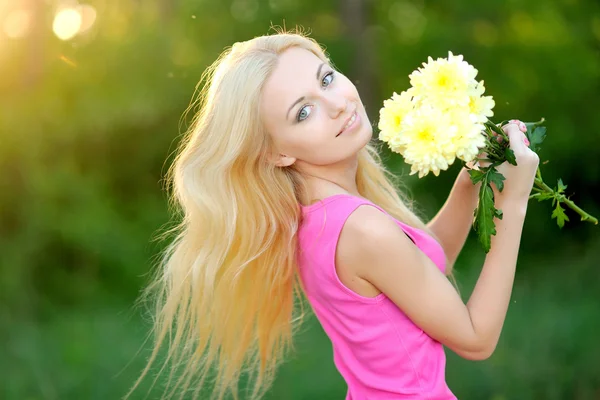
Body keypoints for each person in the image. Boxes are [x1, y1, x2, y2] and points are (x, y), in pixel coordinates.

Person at [129, 30, 540, 400]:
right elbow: (475, 339)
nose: (336, 104)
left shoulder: (317, 220)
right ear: (276, 152)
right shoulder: (360, 228)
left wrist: (471, 184)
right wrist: (514, 201)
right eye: (302, 112)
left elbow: (421, 274)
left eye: (326, 79)